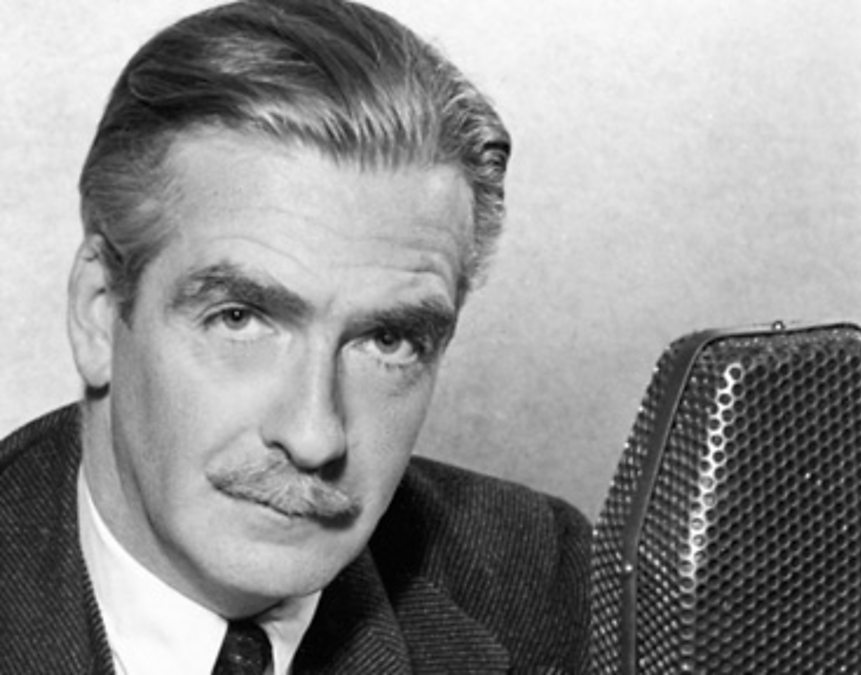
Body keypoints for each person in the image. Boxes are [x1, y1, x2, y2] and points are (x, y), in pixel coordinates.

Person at [0, 1, 590, 672]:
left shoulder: (552, 592)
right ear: (99, 312)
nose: (314, 437)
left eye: (388, 340)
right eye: (241, 319)